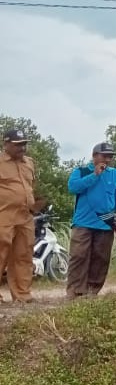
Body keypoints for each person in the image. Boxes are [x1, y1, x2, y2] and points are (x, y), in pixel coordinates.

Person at [66, 142, 116, 298]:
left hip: (106, 223)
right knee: (79, 256)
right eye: (104, 155)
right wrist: (94, 175)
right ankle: (75, 290)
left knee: (101, 258)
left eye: (110, 156)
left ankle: (92, 291)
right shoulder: (82, 171)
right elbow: (73, 187)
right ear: (94, 156)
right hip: (83, 222)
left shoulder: (115, 174)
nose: (107, 159)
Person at [0, 128, 39, 303]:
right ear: (6, 144)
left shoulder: (29, 163)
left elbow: (31, 186)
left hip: (25, 217)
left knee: (23, 255)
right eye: (17, 145)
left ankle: (22, 295)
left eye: (24, 144)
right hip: (4, 215)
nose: (22, 148)